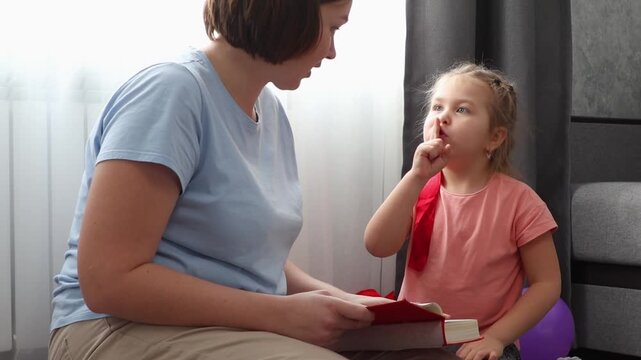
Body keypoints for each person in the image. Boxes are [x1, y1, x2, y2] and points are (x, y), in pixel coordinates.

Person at [48, 1, 459, 359]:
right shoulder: (172, 92)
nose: (333, 52)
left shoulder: (271, 111)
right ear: (289, 9)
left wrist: (346, 303)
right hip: (114, 329)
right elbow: (108, 282)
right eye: (333, 27)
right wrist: (279, 314)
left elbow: (250, 260)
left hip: (225, 327)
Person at [364, 63, 562, 360]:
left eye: (462, 110)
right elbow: (377, 245)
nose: (442, 116)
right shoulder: (417, 190)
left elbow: (547, 284)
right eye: (437, 106)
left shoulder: (521, 202)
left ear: (494, 138)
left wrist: (497, 337)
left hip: (481, 344)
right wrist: (415, 178)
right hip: (414, 341)